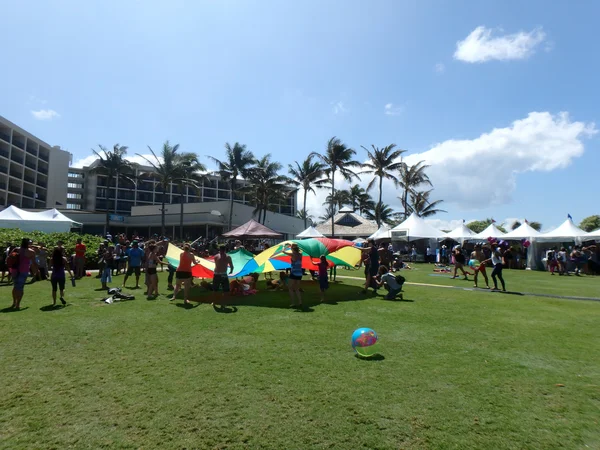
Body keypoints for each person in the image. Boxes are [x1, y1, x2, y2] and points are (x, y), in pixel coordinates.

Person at [9, 238, 36, 310]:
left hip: (14, 270)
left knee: (15, 286)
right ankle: (18, 304)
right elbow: (33, 263)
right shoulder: (31, 252)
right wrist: (35, 272)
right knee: (20, 288)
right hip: (23, 270)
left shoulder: (16, 249)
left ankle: (14, 302)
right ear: (28, 243)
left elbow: (9, 258)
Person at [284, 243, 303, 308]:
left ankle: (293, 303)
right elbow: (296, 248)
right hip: (300, 273)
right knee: (297, 289)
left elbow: (283, 251)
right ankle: (300, 302)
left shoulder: (292, 254)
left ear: (292, 249)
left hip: (294, 273)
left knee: (290, 288)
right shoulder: (300, 254)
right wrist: (291, 245)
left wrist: (284, 246)